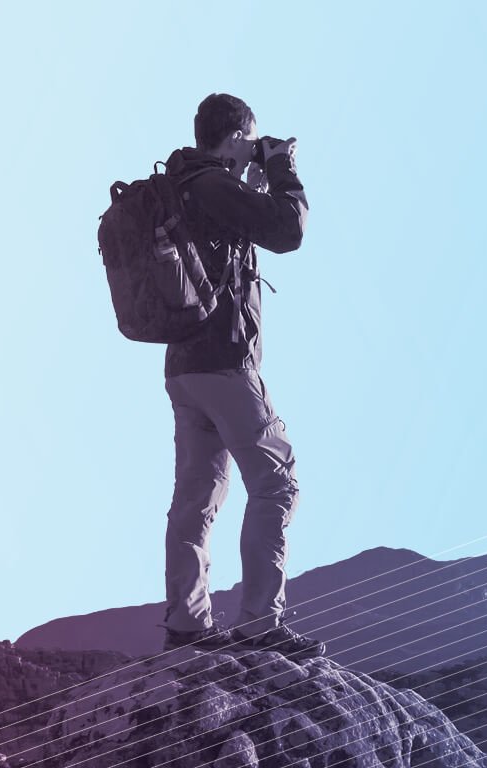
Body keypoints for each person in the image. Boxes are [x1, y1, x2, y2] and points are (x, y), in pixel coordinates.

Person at [153, 93, 323, 660]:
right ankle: (259, 624)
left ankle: (186, 622)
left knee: (197, 494)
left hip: (184, 368)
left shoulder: (186, 184)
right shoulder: (211, 185)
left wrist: (251, 172)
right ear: (234, 137)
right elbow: (287, 230)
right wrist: (282, 168)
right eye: (250, 139)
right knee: (278, 481)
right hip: (224, 363)